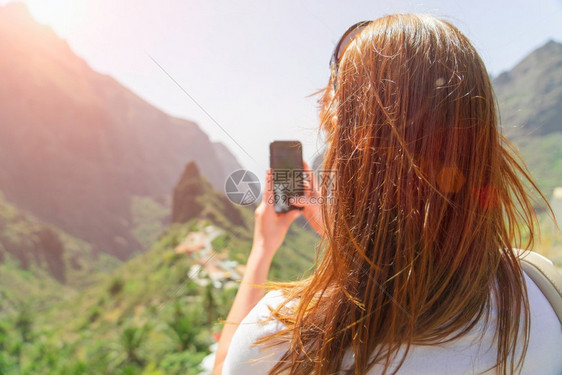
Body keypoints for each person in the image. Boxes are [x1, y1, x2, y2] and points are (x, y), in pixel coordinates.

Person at [213, 14, 562, 375]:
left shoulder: (280, 341)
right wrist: (341, 230)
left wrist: (262, 248)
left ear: (346, 151)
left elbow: (225, 366)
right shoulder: (542, 298)